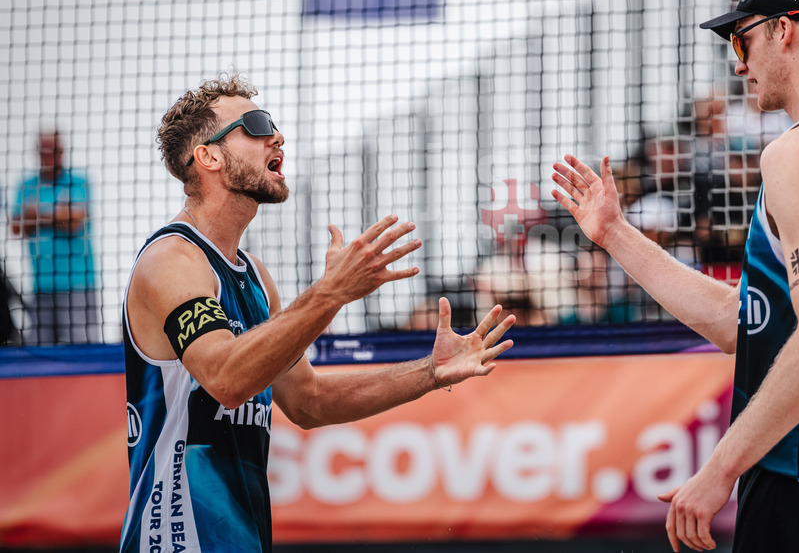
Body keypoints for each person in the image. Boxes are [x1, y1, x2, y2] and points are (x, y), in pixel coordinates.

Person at [552, 0, 799, 552]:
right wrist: (616, 234)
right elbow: (745, 323)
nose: (737, 61)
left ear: (784, 30)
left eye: (741, 38)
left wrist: (721, 467)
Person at [119, 72, 515, 553]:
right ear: (209, 156)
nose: (277, 135)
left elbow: (309, 402)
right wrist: (330, 294)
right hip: (173, 540)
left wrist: (430, 373)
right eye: (257, 125)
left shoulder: (256, 276)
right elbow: (223, 379)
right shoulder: (172, 260)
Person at [10, 130, 100, 344]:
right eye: (45, 151)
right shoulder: (26, 185)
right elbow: (16, 227)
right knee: (39, 353)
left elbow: (75, 220)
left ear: (62, 151)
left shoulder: (78, 182)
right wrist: (57, 213)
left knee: (81, 349)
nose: (49, 156)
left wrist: (36, 215)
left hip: (78, 286)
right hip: (41, 287)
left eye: (54, 151)